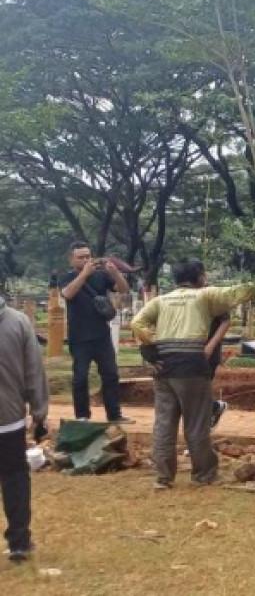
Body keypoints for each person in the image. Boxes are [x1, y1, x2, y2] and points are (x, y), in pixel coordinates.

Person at [131, 259, 255, 489]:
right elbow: (239, 292)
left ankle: (163, 477)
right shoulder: (204, 296)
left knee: (164, 423)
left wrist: (153, 347)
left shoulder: (160, 300)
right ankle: (204, 474)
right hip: (192, 365)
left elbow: (137, 323)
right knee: (197, 422)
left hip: (164, 366)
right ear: (200, 276)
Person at [57, 241, 131, 423]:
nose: (85, 260)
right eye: (80, 257)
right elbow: (68, 294)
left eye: (88, 256)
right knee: (80, 378)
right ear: (71, 259)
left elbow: (123, 290)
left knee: (111, 375)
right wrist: (84, 274)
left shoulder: (101, 276)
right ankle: (82, 416)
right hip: (79, 337)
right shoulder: (66, 277)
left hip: (101, 335)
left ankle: (114, 415)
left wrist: (115, 273)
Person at [0, 296, 48, 563]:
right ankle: (19, 543)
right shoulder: (19, 323)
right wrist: (39, 414)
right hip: (8, 419)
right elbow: (34, 372)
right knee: (15, 478)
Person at [205, 313, 231, 429]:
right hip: (187, 352)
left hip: (207, 353)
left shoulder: (217, 302)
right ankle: (214, 408)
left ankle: (213, 409)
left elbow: (226, 321)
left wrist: (210, 346)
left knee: (198, 389)